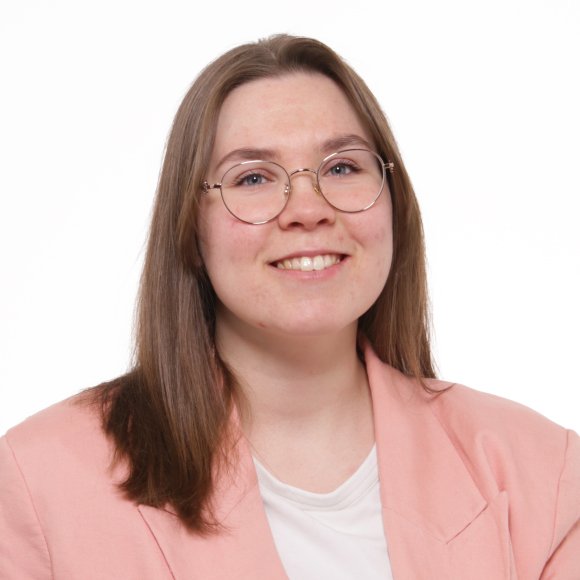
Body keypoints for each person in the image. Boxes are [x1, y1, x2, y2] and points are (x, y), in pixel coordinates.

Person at [0, 34, 578, 580]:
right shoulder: (38, 480)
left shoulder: (548, 476)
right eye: (253, 177)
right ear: (190, 230)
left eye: (343, 168)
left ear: (394, 203)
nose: (307, 209)